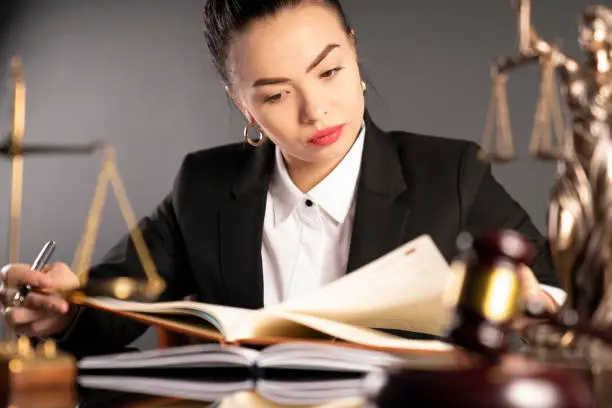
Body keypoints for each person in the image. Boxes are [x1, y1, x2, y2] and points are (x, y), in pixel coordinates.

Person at [2, 0, 565, 358]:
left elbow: (555, 286)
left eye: (330, 70)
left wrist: (531, 299)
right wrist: (58, 311)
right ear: (242, 104)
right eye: (274, 94)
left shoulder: (452, 174)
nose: (315, 110)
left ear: (354, 48)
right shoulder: (204, 185)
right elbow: (113, 309)